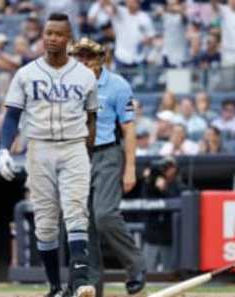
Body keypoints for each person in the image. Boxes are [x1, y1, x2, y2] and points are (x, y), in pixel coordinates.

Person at [0, 14, 98, 297]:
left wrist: (87, 151)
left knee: (77, 210)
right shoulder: (26, 73)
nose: (52, 38)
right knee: (45, 221)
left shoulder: (85, 75)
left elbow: (92, 119)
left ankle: (79, 281)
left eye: (58, 34)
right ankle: (55, 287)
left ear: (68, 39)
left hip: (73, 146)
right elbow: (12, 116)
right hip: (38, 147)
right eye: (48, 33)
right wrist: (4, 148)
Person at [69, 37, 146, 297]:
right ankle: (90, 284)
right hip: (77, 155)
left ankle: (136, 265)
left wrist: (130, 167)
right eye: (78, 57)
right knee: (82, 222)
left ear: (99, 60)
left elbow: (129, 128)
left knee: (104, 216)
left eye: (88, 57)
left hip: (107, 153)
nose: (82, 62)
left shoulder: (117, 85)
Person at [142, 157, 186, 272]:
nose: (165, 170)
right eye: (164, 167)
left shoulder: (178, 185)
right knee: (147, 271)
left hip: (168, 237)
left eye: (168, 167)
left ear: (175, 169)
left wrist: (164, 188)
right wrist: (148, 180)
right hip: (151, 236)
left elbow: (177, 200)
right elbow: (145, 199)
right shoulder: (152, 183)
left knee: (168, 272)